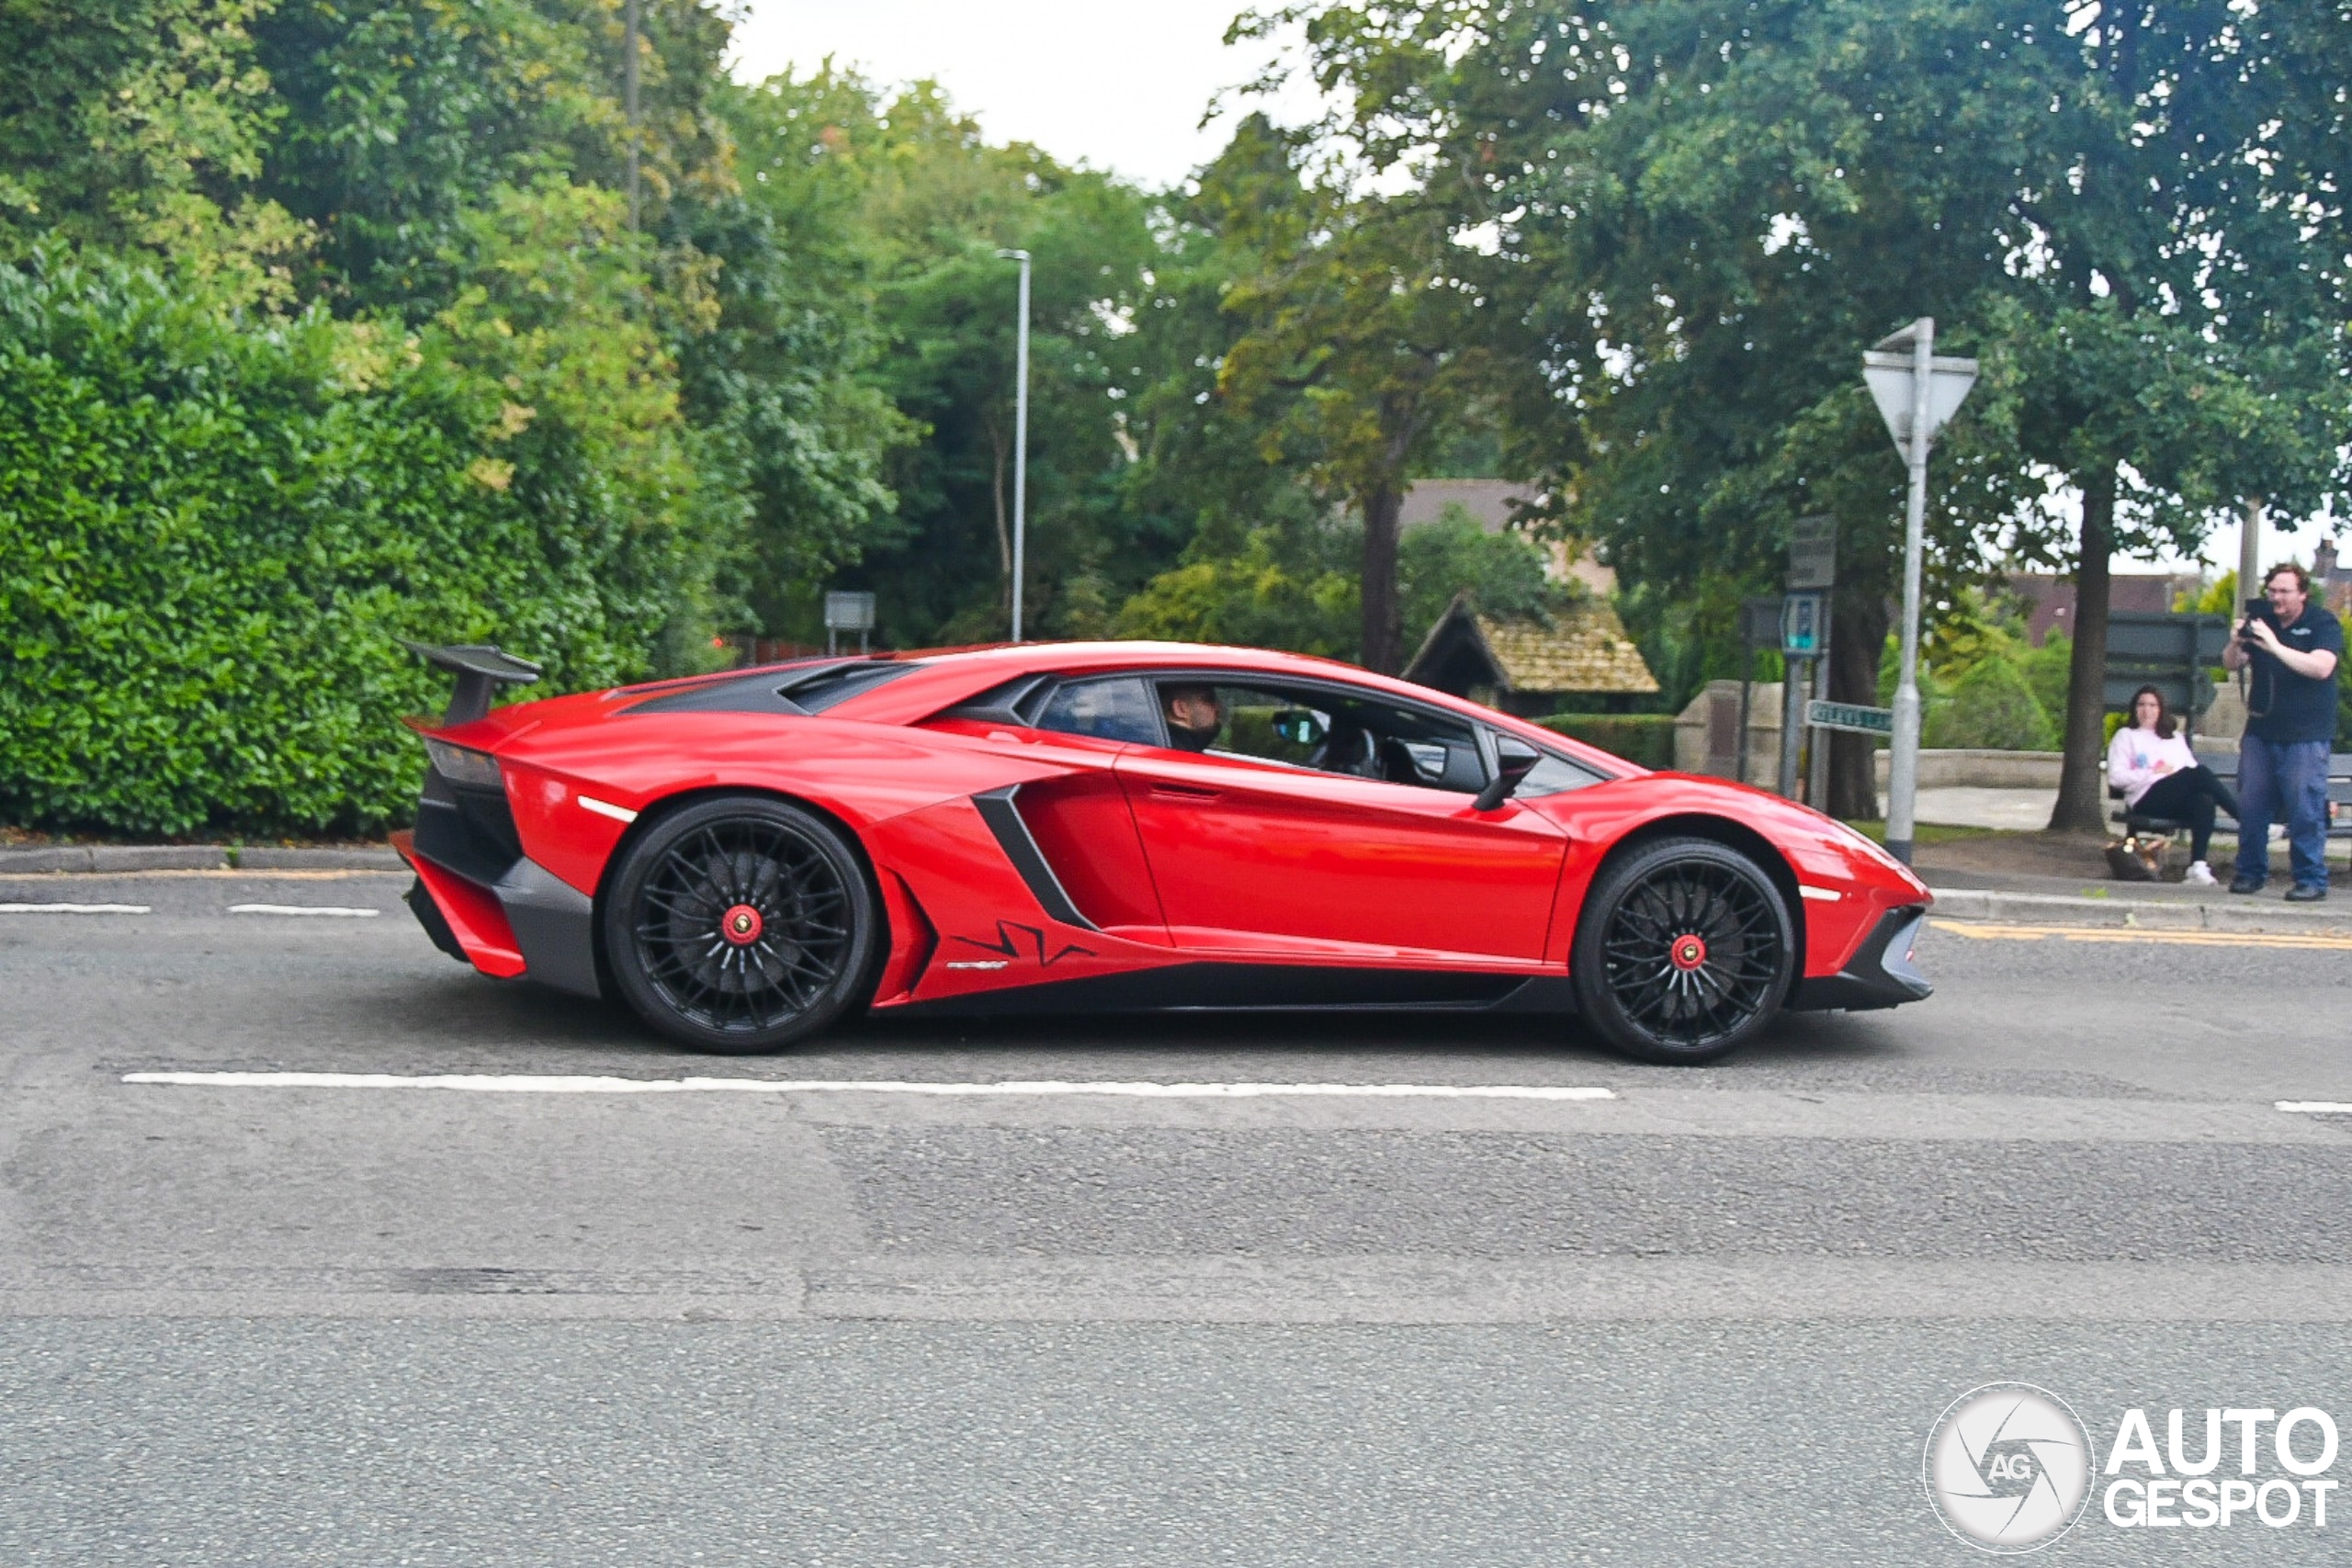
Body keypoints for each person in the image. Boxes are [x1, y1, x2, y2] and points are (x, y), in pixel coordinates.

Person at [2221, 562, 2343, 899]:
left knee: (2305, 809)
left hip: (2305, 734)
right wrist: (2237, 642)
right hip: (2262, 730)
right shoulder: (2263, 623)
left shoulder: (2321, 623)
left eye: (2284, 592)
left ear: (2302, 593)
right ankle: (2249, 873)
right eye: (2272, 591)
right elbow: (2231, 663)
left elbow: (2321, 667)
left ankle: (2311, 879)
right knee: (2252, 807)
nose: (2276, 598)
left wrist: (2273, 646)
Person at [2106, 684, 2239, 885]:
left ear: (2161, 709)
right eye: (2141, 705)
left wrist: (2175, 775)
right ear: (2135, 708)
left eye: (2152, 705)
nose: (2146, 710)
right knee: (2201, 774)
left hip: (2174, 798)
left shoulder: (2174, 738)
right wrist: (2151, 772)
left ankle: (2197, 867)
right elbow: (2116, 777)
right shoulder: (2126, 736)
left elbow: (2189, 769)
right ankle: (2247, 820)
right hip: (2145, 796)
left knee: (2204, 800)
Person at [1161, 683, 1225, 752]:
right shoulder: (1179, 754)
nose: (1218, 709)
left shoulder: (1164, 744)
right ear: (1181, 708)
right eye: (1208, 700)